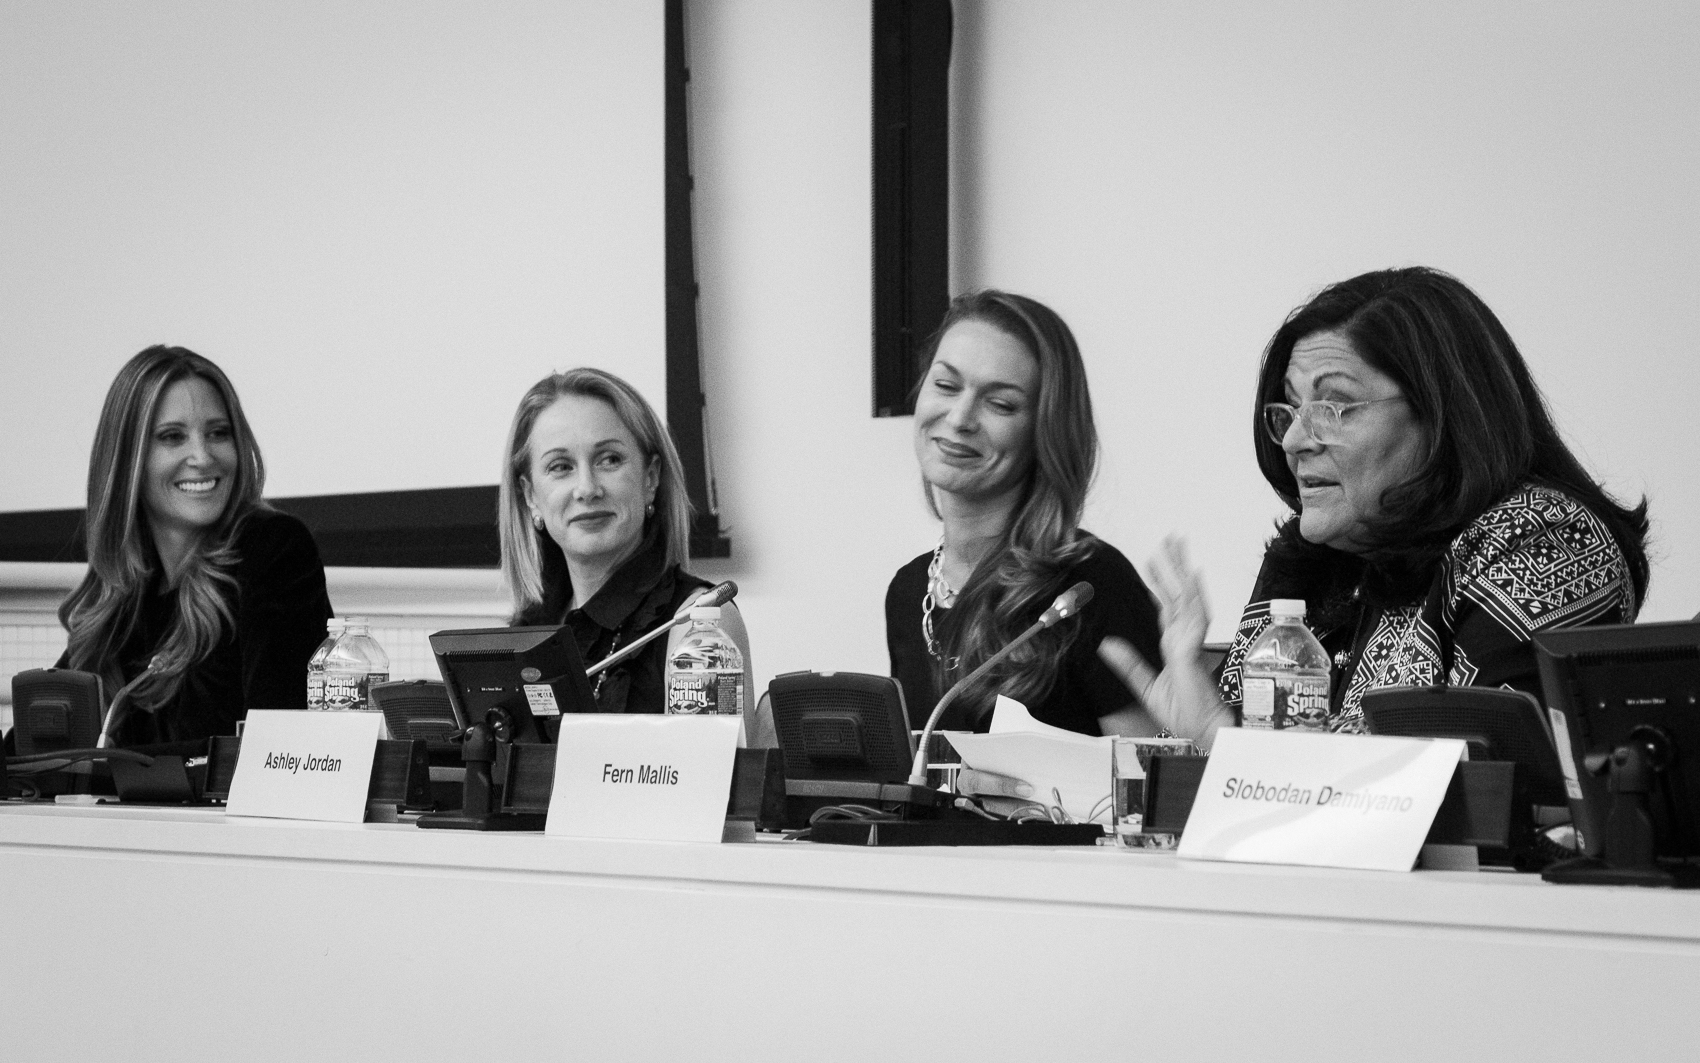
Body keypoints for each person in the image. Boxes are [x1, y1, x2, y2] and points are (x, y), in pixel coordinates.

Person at [1100, 267, 1649, 748]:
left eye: (1334, 405)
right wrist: (1198, 729)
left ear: (1442, 417)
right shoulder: (1311, 563)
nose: (1293, 441)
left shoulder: (1548, 539)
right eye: (1290, 410)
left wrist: (1220, 740)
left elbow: (1473, 784)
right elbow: (1235, 764)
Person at [886, 290, 1165, 738]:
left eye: (1001, 404)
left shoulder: (1091, 584)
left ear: (1045, 430)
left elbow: (1147, 788)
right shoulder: (908, 592)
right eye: (945, 385)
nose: (959, 418)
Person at [53, 345, 333, 752]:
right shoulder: (121, 594)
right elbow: (39, 755)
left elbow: (282, 752)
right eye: (172, 437)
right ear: (128, 459)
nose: (202, 457)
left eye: (219, 433)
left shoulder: (271, 550)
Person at [498, 367, 765, 739]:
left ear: (650, 478)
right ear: (530, 496)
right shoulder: (524, 633)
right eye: (561, 467)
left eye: (609, 460)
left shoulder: (700, 622)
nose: (587, 488)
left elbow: (713, 788)